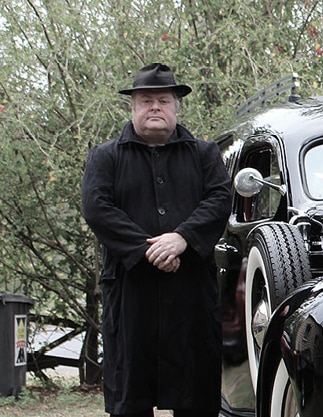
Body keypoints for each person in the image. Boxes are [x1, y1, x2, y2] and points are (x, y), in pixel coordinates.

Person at [81, 63, 232, 417]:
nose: (154, 107)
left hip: (191, 294)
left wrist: (182, 239)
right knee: (130, 392)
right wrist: (150, 249)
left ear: (176, 107)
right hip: (131, 294)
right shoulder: (106, 157)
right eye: (146, 100)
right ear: (132, 107)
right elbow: (97, 208)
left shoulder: (204, 154)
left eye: (163, 100)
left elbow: (219, 200)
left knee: (194, 391)